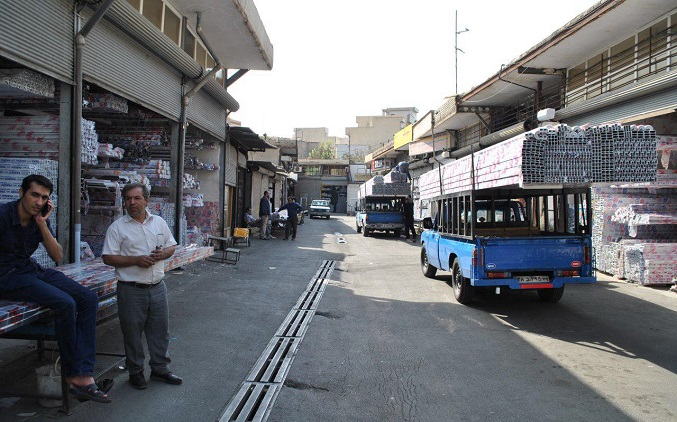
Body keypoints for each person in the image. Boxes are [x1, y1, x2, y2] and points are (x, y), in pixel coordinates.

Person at [0, 175, 111, 403]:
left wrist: (42, 224)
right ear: (21, 193)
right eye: (34, 195)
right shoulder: (3, 216)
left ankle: (84, 371)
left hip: (30, 269)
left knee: (88, 298)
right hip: (6, 276)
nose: (39, 202)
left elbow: (57, 255)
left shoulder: (38, 219)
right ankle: (75, 375)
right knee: (65, 303)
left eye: (44, 198)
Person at [102, 183, 182, 390]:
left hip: (157, 287)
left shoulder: (159, 223)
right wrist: (135, 260)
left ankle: (160, 369)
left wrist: (163, 254)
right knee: (132, 333)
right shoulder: (117, 228)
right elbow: (108, 257)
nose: (132, 202)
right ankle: (135, 372)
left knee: (159, 331)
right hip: (130, 289)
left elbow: (171, 245)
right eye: (128, 199)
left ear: (147, 201)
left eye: (137, 198)